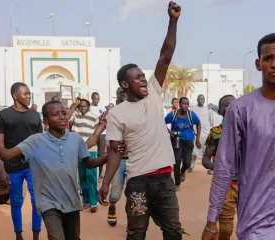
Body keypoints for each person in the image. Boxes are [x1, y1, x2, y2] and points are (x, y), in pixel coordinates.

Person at [201, 33, 275, 240]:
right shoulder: (240, 109)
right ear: (259, 64)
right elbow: (225, 165)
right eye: (268, 58)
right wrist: (212, 218)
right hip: (255, 215)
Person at [99, 2, 185, 239]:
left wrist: (173, 20)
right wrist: (106, 183)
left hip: (164, 180)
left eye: (143, 76)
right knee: (136, 233)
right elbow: (115, 151)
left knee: (173, 231)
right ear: (125, 85)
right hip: (137, 182)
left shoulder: (155, 93)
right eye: (137, 78)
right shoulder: (117, 113)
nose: (144, 80)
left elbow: (165, 56)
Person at [0, 100, 108, 240]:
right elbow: (5, 155)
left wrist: (109, 156)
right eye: (56, 114)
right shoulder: (35, 141)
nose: (62, 117)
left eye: (63, 113)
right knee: (57, 237)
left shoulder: (75, 138)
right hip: (48, 202)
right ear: (45, 120)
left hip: (71, 201)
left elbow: (89, 163)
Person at [0, 82, 43, 240]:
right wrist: (2, 168)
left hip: (33, 165)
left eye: (30, 94)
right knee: (16, 201)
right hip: (12, 166)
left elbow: (39, 142)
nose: (29, 97)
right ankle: (18, 234)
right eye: (26, 94)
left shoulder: (35, 115)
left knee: (37, 202)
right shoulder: (3, 115)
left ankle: (36, 235)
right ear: (15, 95)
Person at [202, 94, 236, 240]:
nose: (231, 107)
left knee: (250, 224)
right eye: (226, 105)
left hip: (249, 184)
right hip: (226, 186)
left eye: (233, 104)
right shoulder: (215, 133)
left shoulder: (249, 131)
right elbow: (205, 159)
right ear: (220, 110)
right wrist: (216, 167)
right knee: (226, 227)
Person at [68, 98, 100, 213]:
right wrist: (74, 106)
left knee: (91, 175)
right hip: (77, 150)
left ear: (88, 106)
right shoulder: (74, 116)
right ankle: (86, 201)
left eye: (85, 106)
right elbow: (66, 117)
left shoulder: (94, 116)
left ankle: (94, 202)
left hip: (91, 150)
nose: (82, 108)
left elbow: (98, 133)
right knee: (82, 176)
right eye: (80, 106)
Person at [164, 97, 201, 191]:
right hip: (176, 140)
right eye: (184, 104)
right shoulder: (173, 114)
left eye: (187, 104)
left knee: (187, 163)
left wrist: (197, 139)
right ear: (179, 104)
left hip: (188, 141)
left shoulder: (191, 115)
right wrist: (169, 132)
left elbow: (199, 123)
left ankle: (183, 171)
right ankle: (177, 183)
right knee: (176, 161)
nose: (186, 106)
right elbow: (162, 122)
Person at [107, 89, 128, 227]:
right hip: (118, 159)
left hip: (136, 160)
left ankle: (133, 225)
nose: (124, 96)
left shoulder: (139, 112)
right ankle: (112, 205)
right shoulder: (112, 115)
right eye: (120, 94)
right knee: (115, 194)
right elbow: (112, 143)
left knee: (134, 194)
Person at [189, 94, 212, 174]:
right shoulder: (192, 109)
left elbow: (211, 121)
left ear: (204, 100)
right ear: (197, 99)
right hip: (195, 133)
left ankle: (210, 168)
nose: (201, 100)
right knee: (193, 152)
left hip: (206, 133)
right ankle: (191, 166)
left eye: (203, 98)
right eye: (200, 98)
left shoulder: (208, 109)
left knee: (208, 151)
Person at [90, 92, 107, 180]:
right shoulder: (88, 108)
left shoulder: (102, 108)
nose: (97, 100)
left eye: (98, 98)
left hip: (102, 134)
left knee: (101, 153)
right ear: (92, 99)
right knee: (91, 153)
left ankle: (100, 173)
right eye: (95, 99)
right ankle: (92, 172)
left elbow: (105, 119)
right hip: (92, 133)